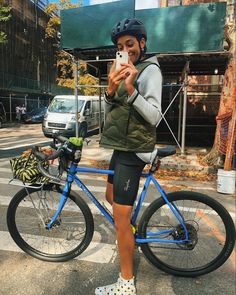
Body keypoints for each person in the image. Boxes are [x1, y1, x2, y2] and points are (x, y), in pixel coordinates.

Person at [95, 18, 162, 295]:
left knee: (121, 218)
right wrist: (111, 89)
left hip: (134, 151)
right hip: (121, 147)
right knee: (111, 198)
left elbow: (155, 117)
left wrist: (132, 89)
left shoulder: (150, 71)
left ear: (142, 43)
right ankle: (128, 235)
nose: (126, 50)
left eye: (130, 44)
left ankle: (125, 284)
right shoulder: (120, 70)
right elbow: (112, 111)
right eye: (121, 47)